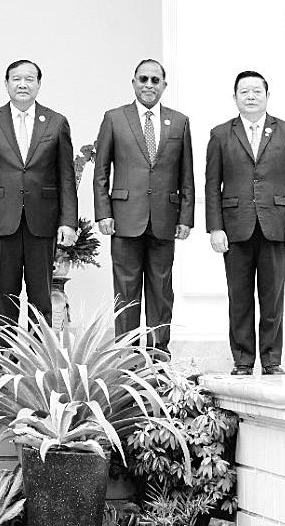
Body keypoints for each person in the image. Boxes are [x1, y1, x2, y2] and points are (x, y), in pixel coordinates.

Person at [205, 70, 285, 376]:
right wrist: (215, 227)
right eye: (244, 91)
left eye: (256, 91)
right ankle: (243, 360)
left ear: (267, 95)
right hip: (236, 226)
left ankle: (272, 360)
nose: (250, 96)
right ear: (234, 97)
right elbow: (212, 185)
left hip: (275, 225)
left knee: (272, 297)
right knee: (239, 297)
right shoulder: (221, 134)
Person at [92, 59, 194, 353]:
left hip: (165, 217)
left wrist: (185, 216)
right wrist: (104, 212)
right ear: (134, 83)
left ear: (164, 85)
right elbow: (101, 172)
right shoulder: (114, 118)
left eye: (155, 80)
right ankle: (127, 354)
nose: (149, 85)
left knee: (161, 289)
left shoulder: (179, 121)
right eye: (143, 79)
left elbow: (186, 174)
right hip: (124, 217)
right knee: (126, 291)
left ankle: (159, 352)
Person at [0, 59, 77, 335]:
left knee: (41, 294)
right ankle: (6, 353)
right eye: (16, 79)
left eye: (29, 79)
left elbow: (66, 177)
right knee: (5, 293)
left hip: (42, 220)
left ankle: (39, 352)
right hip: (2, 220)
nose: (22, 84)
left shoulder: (56, 122)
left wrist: (68, 221)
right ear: (6, 84)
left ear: (39, 84)